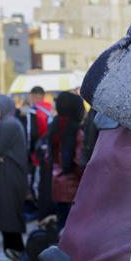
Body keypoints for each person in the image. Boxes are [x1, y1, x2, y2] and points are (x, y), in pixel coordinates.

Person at [0, 94, 29, 261]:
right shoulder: (8, 122)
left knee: (8, 212)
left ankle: (14, 252)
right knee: (7, 212)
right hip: (9, 173)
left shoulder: (8, 124)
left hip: (10, 174)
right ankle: (11, 250)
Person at [47, 91, 86, 227]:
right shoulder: (77, 131)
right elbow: (79, 160)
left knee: (62, 230)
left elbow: (49, 157)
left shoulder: (54, 127)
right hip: (74, 188)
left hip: (57, 185)